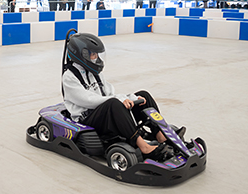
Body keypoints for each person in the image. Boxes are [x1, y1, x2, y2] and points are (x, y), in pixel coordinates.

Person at [62, 32, 177, 161]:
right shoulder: (69, 77)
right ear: (80, 54)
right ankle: (143, 146)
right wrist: (118, 100)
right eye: (93, 54)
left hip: (104, 111)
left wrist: (130, 98)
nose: (96, 58)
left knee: (143, 96)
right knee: (114, 104)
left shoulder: (95, 73)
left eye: (96, 54)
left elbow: (109, 94)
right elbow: (88, 100)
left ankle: (160, 135)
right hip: (87, 119)